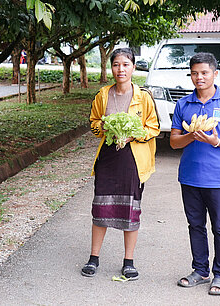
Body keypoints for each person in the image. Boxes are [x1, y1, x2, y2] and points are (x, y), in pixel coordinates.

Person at [170, 52, 220, 295]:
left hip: (218, 178)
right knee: (195, 225)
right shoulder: (183, 105)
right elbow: (173, 142)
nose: (199, 77)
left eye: (204, 72)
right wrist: (190, 136)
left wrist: (216, 141)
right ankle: (200, 270)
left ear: (215, 73)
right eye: (194, 73)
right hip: (189, 177)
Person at [82, 48, 159, 280]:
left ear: (133, 67)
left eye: (126, 64)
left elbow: (153, 127)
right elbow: (94, 122)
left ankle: (129, 261)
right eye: (116, 64)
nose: (121, 69)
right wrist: (104, 128)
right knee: (100, 207)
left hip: (132, 160)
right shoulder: (102, 95)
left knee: (130, 210)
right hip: (108, 157)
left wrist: (134, 133)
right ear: (111, 68)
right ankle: (94, 258)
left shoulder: (143, 97)